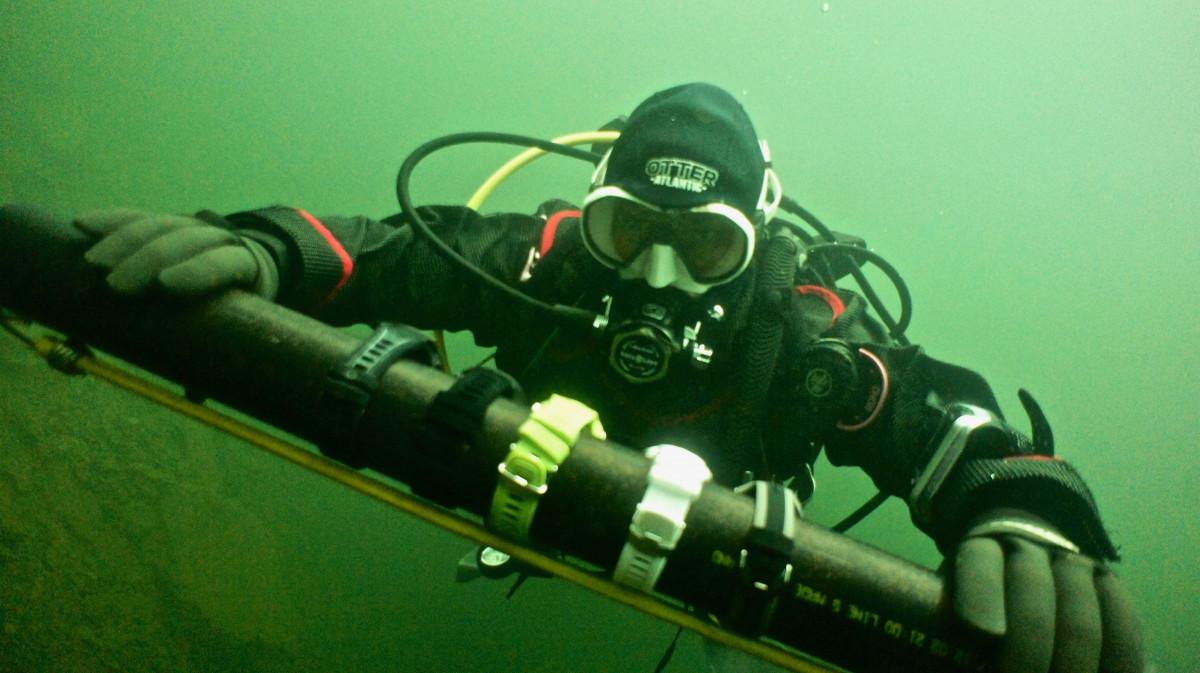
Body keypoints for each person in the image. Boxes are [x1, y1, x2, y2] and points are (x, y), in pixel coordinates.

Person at [73, 83, 1142, 672]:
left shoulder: (800, 333)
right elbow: (387, 249)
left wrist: (1021, 499)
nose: (660, 276)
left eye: (707, 247)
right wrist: (270, 247)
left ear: (757, 241)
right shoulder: (549, 262)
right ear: (592, 219)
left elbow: (930, 409)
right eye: (629, 231)